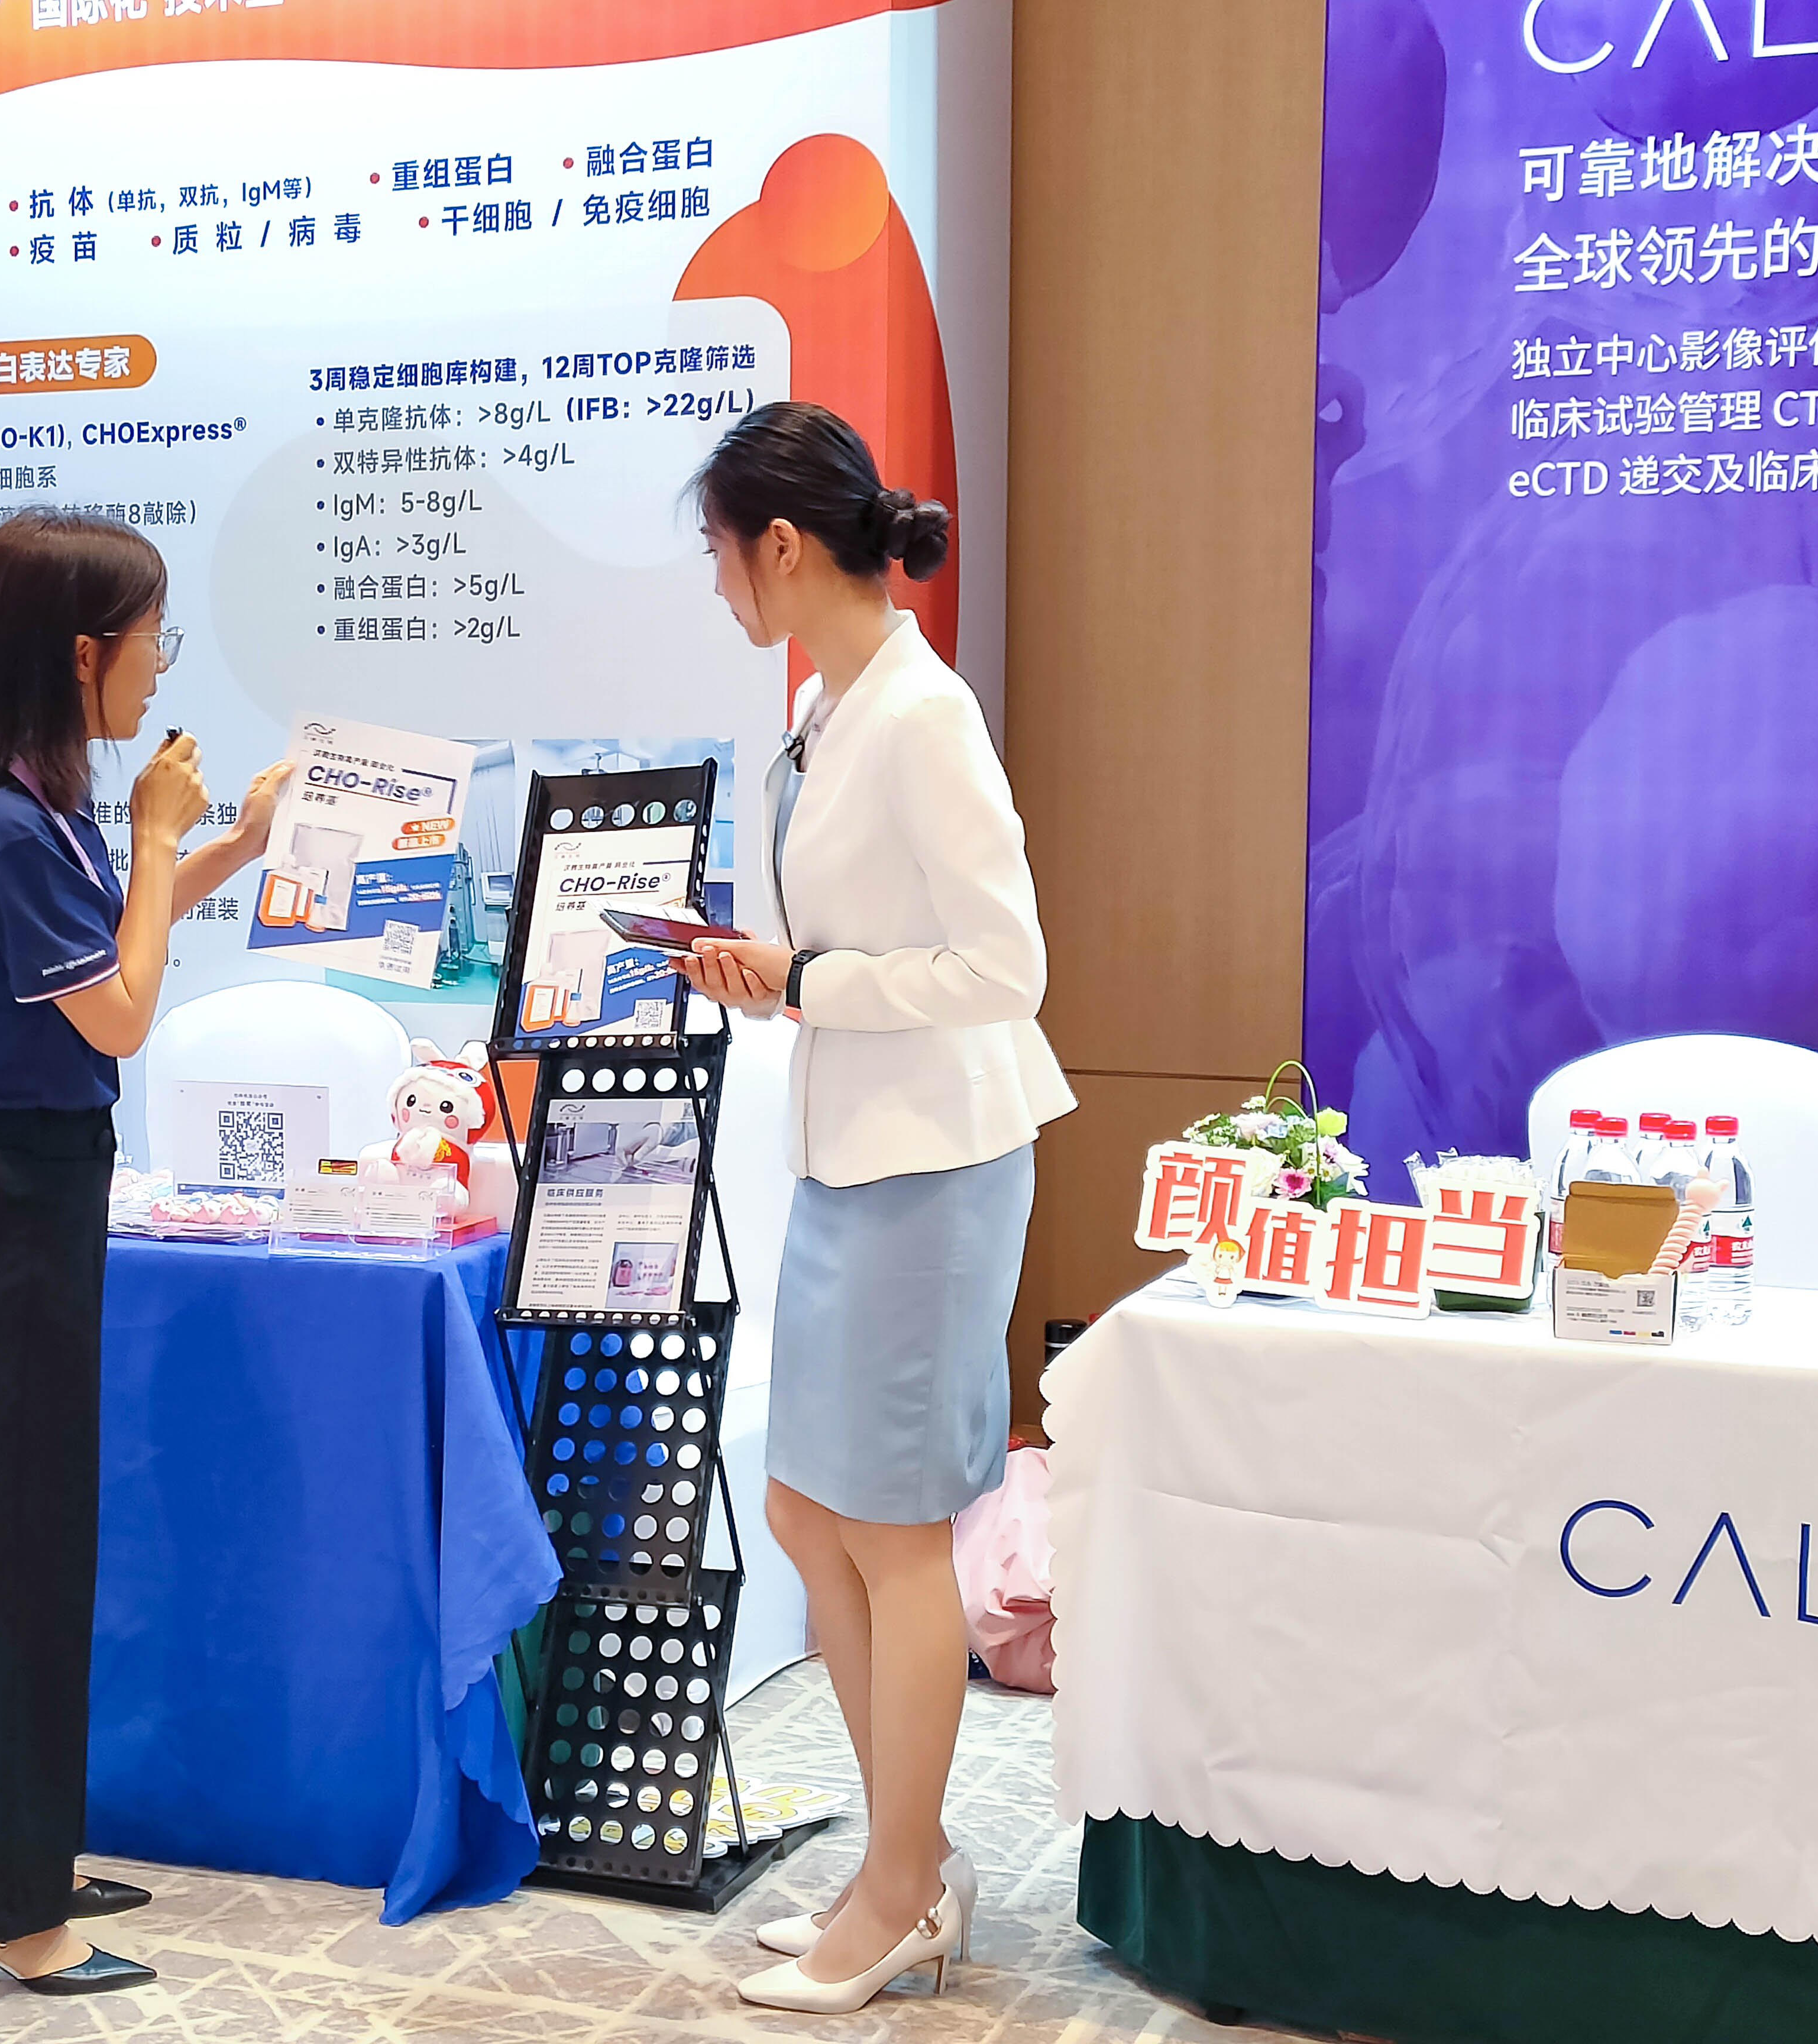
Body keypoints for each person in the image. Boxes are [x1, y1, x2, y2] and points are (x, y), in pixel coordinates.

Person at [674, 404, 1075, 2016]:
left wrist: (811, 981)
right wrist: (764, 973)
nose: (716, 583)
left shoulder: (922, 716)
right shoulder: (826, 710)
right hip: (853, 1157)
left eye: (720, 551)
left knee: (894, 1536)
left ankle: (902, 1890)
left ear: (780, 546)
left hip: (937, 1162)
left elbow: (1006, 967)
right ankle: (906, 1860)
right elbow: (839, 943)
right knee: (807, 1515)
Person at [0, 510, 287, 1996]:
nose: (160, 664)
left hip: (25, 1207)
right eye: (148, 636)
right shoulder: (2, 821)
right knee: (10, 1566)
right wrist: (165, 834)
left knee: (36, 1554)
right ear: (80, 654)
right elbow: (120, 1016)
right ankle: (10, 1911)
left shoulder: (17, 805)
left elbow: (113, 942)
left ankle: (12, 1864)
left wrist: (226, 848)